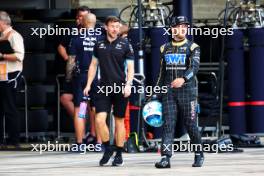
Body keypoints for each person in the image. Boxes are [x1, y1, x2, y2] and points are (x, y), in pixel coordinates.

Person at [154, 16, 204, 168]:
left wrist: (183, 79)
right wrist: (155, 93)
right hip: (169, 92)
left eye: (185, 27)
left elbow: (194, 68)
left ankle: (198, 153)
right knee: (168, 124)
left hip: (188, 92)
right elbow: (161, 74)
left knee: (190, 124)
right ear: (172, 29)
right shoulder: (164, 48)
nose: (182, 29)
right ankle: (165, 158)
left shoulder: (193, 47)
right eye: (179, 26)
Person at [83, 16, 134, 166]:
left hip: (120, 87)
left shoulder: (126, 44)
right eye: (112, 26)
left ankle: (119, 153)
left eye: (117, 27)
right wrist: (88, 84)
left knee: (119, 121)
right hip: (103, 87)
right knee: (99, 119)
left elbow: (130, 68)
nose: (115, 29)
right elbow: (93, 65)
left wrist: (129, 85)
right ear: (106, 27)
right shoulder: (98, 44)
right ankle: (107, 148)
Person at [69, 13, 100, 150]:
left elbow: (71, 61)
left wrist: (69, 77)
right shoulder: (101, 38)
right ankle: (99, 144)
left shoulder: (76, 39)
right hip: (97, 78)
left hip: (82, 78)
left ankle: (80, 144)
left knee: (80, 110)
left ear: (83, 23)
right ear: (94, 23)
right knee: (97, 109)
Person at [0, 11, 24, 147]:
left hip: (12, 75)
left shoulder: (15, 36)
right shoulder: (2, 36)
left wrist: (2, 55)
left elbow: (20, 56)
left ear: (2, 22)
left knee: (10, 107)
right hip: (2, 75)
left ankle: (14, 140)